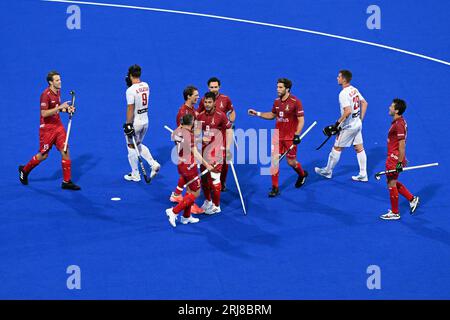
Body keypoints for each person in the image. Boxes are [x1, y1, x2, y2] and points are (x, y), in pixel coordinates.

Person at [18, 71, 80, 190]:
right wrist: (60, 107)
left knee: (65, 150)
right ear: (50, 82)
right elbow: (44, 113)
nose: (60, 82)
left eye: (60, 79)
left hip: (58, 126)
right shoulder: (45, 95)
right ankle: (24, 170)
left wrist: (67, 110)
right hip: (47, 129)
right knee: (44, 155)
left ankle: (66, 181)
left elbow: (56, 110)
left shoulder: (58, 91)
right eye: (57, 80)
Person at [248, 78, 307, 197]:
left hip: (290, 137)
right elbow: (272, 115)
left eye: (280, 87)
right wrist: (257, 113)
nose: (277, 89)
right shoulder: (276, 102)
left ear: (287, 89)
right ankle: (275, 188)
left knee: (291, 162)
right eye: (277, 87)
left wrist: (297, 135)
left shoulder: (296, 102)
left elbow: (301, 120)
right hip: (277, 137)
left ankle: (302, 174)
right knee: (274, 161)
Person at [315, 70, 369, 181]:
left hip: (348, 127)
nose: (337, 78)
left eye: (339, 76)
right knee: (359, 148)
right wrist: (360, 119)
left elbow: (348, 111)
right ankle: (363, 174)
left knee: (337, 148)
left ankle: (327, 171)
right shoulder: (354, 89)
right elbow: (364, 103)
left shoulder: (343, 94)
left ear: (344, 79)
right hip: (357, 124)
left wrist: (337, 124)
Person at [165, 114, 214, 227]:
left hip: (180, 164)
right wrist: (207, 165)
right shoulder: (190, 136)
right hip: (189, 166)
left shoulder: (176, 131)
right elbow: (195, 153)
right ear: (192, 123)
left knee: (190, 191)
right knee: (196, 192)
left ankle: (186, 217)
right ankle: (173, 211)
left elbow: (183, 142)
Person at [380, 99, 419, 220]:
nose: (389, 108)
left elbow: (402, 145)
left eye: (391, 106)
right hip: (394, 156)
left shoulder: (399, 124)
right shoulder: (399, 121)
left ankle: (395, 212)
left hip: (394, 158)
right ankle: (412, 199)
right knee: (391, 182)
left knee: (391, 184)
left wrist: (399, 162)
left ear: (396, 110)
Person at [197, 92, 233, 214]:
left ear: (214, 103)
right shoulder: (200, 116)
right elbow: (196, 134)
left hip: (217, 153)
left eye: (209, 102)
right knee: (203, 179)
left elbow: (229, 131)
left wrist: (227, 149)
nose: (207, 104)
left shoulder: (221, 116)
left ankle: (217, 206)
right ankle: (208, 201)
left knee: (214, 178)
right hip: (204, 152)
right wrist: (200, 139)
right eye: (205, 102)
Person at [169, 86, 204, 214]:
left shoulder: (192, 110)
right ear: (189, 96)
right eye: (196, 95)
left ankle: (177, 194)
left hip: (192, 143)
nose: (198, 97)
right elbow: (179, 133)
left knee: (188, 173)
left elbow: (195, 129)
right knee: (191, 174)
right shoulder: (183, 113)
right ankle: (191, 203)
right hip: (187, 150)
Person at [197, 77, 236, 191]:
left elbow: (232, 111)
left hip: (223, 134)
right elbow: (198, 114)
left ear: (219, 87)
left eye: (215, 87)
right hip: (209, 134)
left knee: (224, 160)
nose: (214, 89)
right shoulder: (204, 99)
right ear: (208, 87)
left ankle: (221, 182)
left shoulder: (225, 99)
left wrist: (231, 122)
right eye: (211, 87)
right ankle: (208, 183)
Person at [123, 64, 160, 181]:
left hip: (135, 122)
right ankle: (153, 163)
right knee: (138, 144)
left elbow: (130, 108)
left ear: (130, 75)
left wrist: (128, 124)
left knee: (130, 146)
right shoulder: (146, 85)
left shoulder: (130, 90)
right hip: (145, 121)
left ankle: (135, 174)